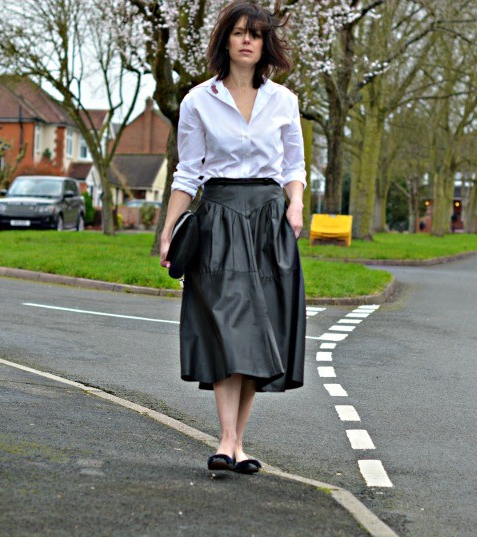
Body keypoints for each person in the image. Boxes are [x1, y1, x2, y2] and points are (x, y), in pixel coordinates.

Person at [160, 0, 306, 475]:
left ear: (266, 45)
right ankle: (225, 440)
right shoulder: (198, 100)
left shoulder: (284, 101)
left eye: (257, 34)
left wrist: (296, 203)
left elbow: (293, 166)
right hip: (218, 219)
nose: (248, 40)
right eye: (240, 32)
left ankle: (237, 444)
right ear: (225, 39)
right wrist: (168, 232)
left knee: (257, 332)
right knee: (227, 327)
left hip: (268, 220)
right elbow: (187, 172)